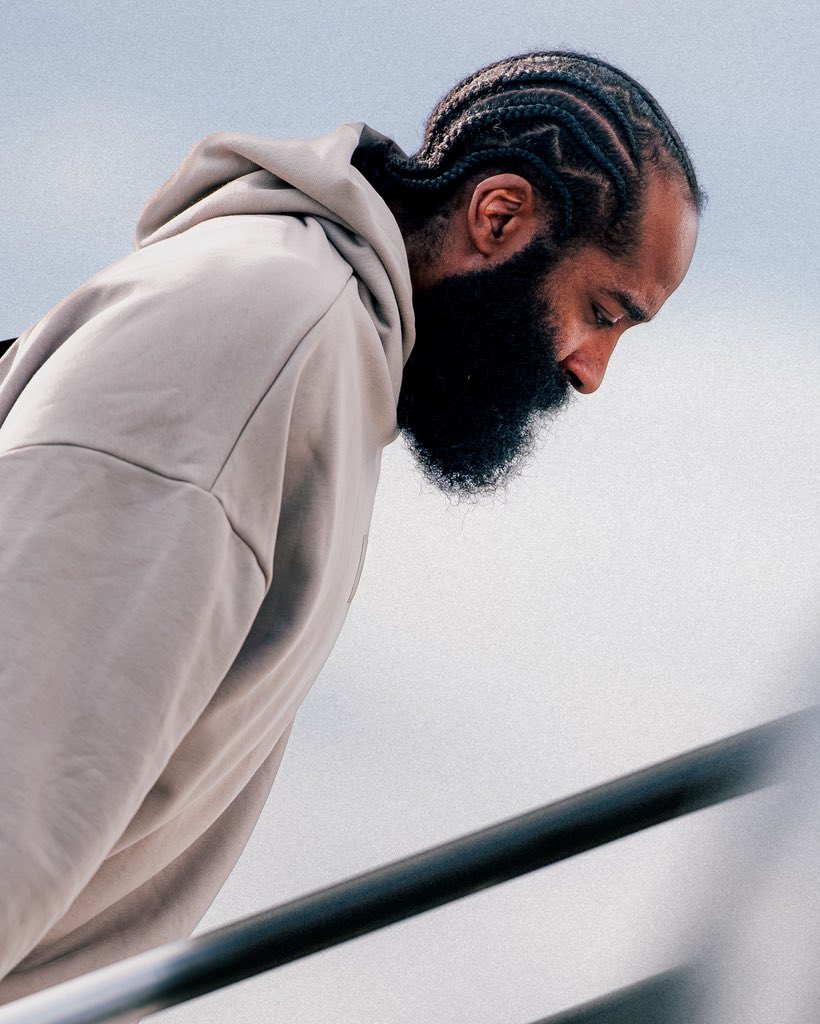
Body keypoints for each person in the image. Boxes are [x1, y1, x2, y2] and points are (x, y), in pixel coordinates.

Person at [0, 51, 701, 1002]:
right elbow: (25, 754)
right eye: (600, 312)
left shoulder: (314, 350)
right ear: (500, 218)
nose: (590, 372)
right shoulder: (268, 331)